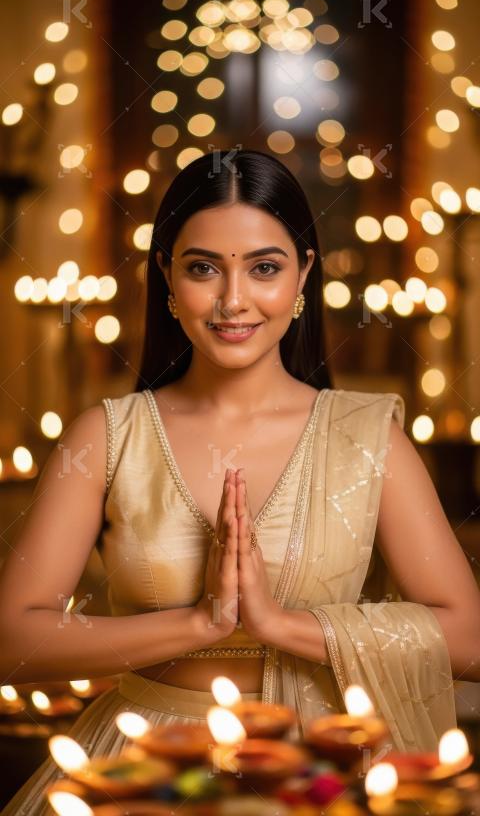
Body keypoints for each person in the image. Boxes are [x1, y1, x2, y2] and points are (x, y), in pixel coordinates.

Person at [1, 148, 479, 815]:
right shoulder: (106, 437)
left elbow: (470, 639)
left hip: (320, 775)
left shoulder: (369, 439)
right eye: (203, 269)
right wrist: (198, 623)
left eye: (264, 268)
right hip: (146, 768)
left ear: (303, 273)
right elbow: (13, 640)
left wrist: (282, 626)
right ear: (166, 274)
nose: (233, 301)